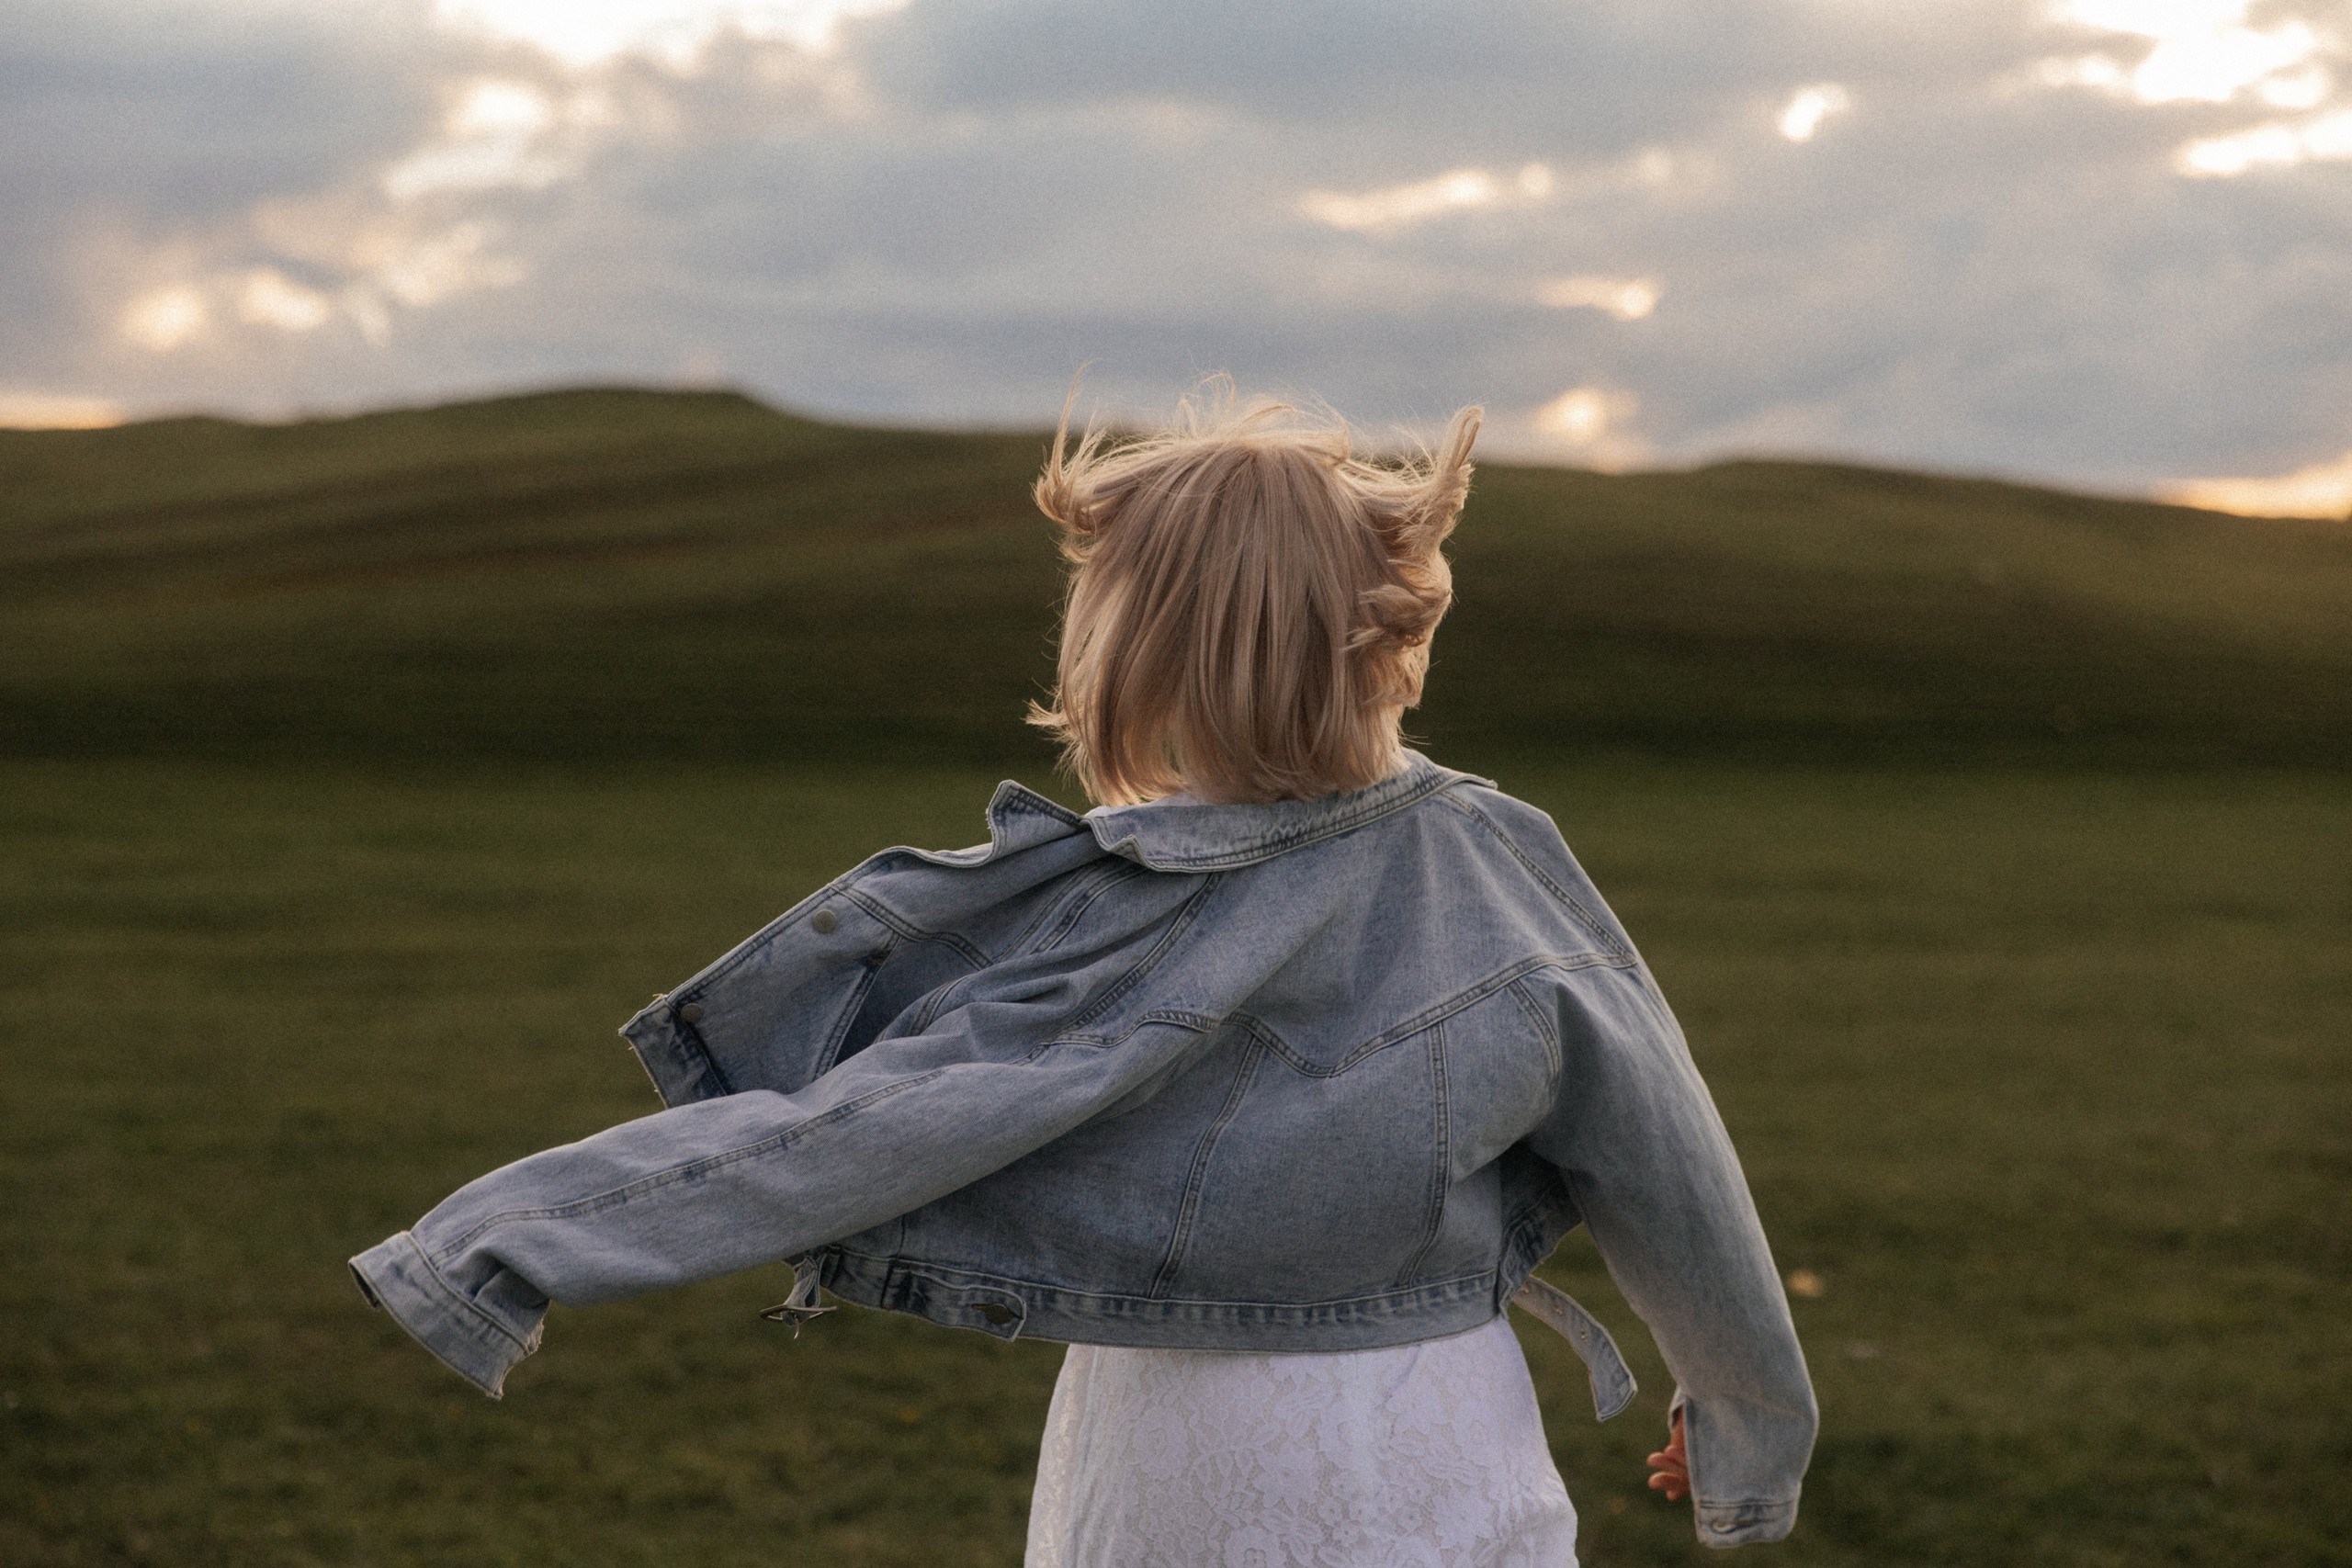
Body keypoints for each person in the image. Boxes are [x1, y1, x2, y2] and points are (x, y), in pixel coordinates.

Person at [350, 384, 1817, 1563]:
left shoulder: (1123, 903)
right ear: (1388, 626)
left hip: (1186, 1458)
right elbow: (1668, 1160)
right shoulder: (1501, 857)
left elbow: (870, 1123)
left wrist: (505, 1236)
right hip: (1441, 1424)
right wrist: (1749, 1420)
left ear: (1133, 651)